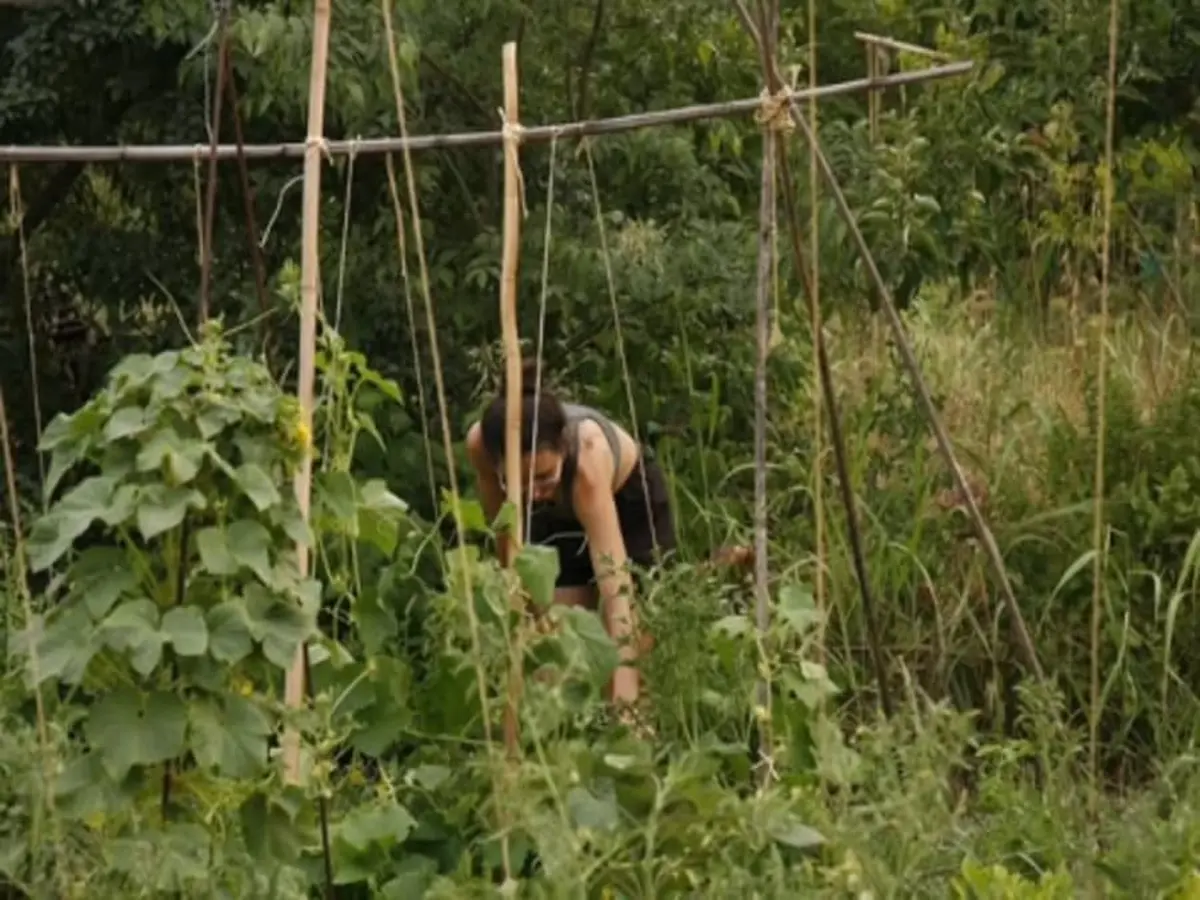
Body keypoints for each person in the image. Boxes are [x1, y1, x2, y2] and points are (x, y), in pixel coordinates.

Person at [464, 359, 677, 712]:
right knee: (556, 642)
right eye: (519, 482)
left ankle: (633, 727)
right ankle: (567, 731)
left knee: (634, 641)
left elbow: (616, 587)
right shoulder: (481, 445)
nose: (533, 492)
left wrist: (627, 705)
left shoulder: (588, 462)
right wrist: (521, 609)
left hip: (629, 504)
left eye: (544, 476)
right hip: (555, 516)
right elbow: (505, 532)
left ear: (562, 450)